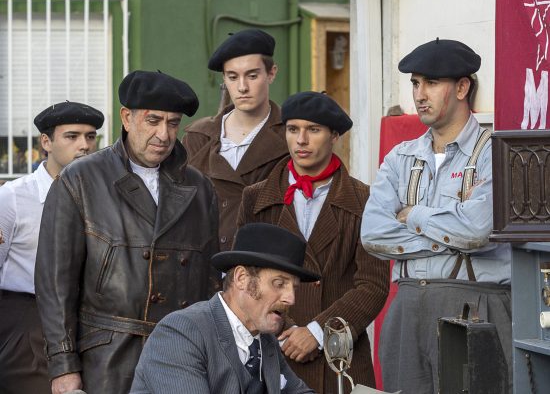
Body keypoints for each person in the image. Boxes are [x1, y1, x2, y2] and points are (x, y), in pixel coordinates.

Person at [35, 71, 220, 394]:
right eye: (153, 120)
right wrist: (63, 366)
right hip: (106, 358)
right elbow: (55, 283)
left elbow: (211, 282)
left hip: (181, 358)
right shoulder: (81, 179)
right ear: (126, 118)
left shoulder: (200, 189)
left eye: (173, 123)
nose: (164, 134)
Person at [361, 39, 512, 394]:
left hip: (475, 303)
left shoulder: (496, 152)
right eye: (415, 83)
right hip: (407, 304)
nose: (419, 94)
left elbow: (477, 230)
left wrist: (412, 215)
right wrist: (452, 237)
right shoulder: (400, 157)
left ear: (462, 87)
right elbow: (372, 234)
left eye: (431, 82)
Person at [237, 91, 390, 393]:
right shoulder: (256, 198)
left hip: (339, 359)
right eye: (293, 129)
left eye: (313, 130)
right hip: (272, 350)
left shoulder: (365, 200)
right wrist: (286, 329)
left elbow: (373, 285)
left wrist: (318, 332)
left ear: (334, 136)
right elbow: (242, 278)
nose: (301, 140)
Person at [131, 222, 318, 394]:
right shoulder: (180, 333)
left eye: (294, 288)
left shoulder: (265, 340)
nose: (291, 299)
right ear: (241, 278)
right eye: (279, 284)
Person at [0, 101, 104, 394]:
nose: (84, 145)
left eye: (90, 136)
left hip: (88, 321)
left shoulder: (102, 197)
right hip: (25, 322)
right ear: (46, 142)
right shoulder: (13, 198)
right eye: (72, 136)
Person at [183, 28, 288, 253]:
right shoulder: (198, 137)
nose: (242, 87)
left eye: (252, 75)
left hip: (263, 262)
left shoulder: (291, 137)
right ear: (224, 79)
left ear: (271, 73)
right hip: (202, 263)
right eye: (232, 77)